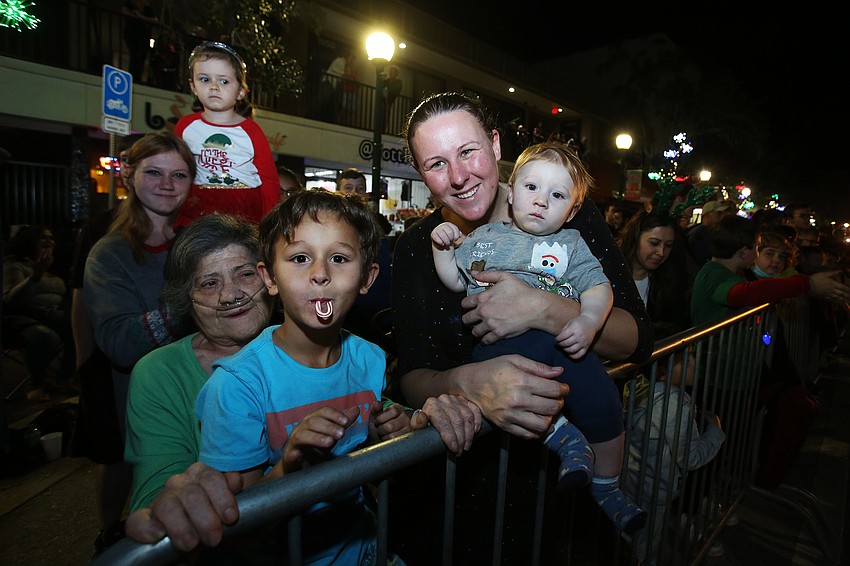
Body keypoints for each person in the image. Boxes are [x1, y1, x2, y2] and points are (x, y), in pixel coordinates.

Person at [391, 91, 653, 562]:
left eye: (468, 151)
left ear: (495, 145)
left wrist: (543, 309)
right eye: (436, 163)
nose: (458, 176)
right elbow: (412, 372)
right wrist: (463, 383)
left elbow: (636, 338)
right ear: (420, 173)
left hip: (558, 495)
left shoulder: (558, 203)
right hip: (465, 488)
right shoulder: (419, 247)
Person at [194, 189, 482, 563]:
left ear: (367, 277)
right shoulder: (237, 387)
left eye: (339, 258)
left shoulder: (369, 360)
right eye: (299, 258)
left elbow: (363, 451)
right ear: (269, 278)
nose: (320, 274)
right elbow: (236, 530)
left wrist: (384, 432)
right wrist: (291, 464)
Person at [431, 141, 645, 534]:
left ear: (573, 210)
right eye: (532, 188)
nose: (542, 200)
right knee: (525, 396)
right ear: (512, 191)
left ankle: (608, 487)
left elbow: (599, 289)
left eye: (557, 194)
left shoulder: (571, 245)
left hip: (560, 345)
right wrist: (442, 246)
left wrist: (589, 322)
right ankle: (566, 440)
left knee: (606, 402)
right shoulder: (484, 238)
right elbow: (455, 282)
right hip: (498, 350)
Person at [82, 132, 194, 555]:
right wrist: (189, 301)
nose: (166, 184)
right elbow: (119, 343)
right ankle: (110, 535)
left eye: (178, 174)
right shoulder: (109, 254)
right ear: (130, 177)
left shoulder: (196, 241)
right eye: (154, 172)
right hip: (143, 403)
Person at [125, 213, 275, 512]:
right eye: (209, 283)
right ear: (187, 300)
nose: (231, 294)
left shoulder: (311, 344)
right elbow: (156, 495)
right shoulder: (160, 373)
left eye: (245, 274)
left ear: (270, 278)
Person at [69, 132, 144, 555]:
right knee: (114, 455)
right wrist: (85, 363)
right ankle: (109, 531)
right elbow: (81, 300)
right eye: (140, 166)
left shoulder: (185, 230)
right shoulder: (102, 230)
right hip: (111, 362)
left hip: (163, 365)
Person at [623, 369, 725, 564]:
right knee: (646, 548)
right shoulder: (674, 402)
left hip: (632, 480)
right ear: (663, 371)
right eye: (687, 355)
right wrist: (715, 432)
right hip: (656, 489)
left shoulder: (635, 386)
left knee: (631, 537)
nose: (694, 363)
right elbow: (690, 457)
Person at [174, 41, 279, 228]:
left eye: (224, 81)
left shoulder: (251, 130)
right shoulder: (186, 125)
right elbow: (175, 170)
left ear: (240, 91)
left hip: (243, 211)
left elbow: (269, 179)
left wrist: (269, 224)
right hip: (197, 208)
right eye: (205, 79)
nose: (214, 87)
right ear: (193, 87)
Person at [2, 224, 75, 401]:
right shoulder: (14, 265)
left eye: (51, 238)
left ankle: (64, 377)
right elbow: (12, 301)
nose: (49, 241)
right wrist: (35, 276)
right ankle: (34, 384)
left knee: (81, 324)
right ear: (30, 241)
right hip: (21, 319)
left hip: (51, 316)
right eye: (43, 237)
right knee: (47, 336)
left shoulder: (53, 267)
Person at [617, 210, 695, 338]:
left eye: (668, 245)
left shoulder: (672, 281)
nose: (661, 252)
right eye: (654, 243)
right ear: (635, 238)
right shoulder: (606, 274)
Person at [686, 199, 735, 266]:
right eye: (718, 213)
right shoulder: (700, 233)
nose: (721, 215)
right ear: (708, 214)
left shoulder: (707, 231)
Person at [122, 0, 157, 81]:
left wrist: (140, 16)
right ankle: (132, 77)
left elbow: (154, 19)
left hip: (143, 37)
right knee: (134, 55)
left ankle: (138, 77)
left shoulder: (148, 8)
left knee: (142, 56)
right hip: (132, 34)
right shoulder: (130, 4)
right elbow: (125, 11)